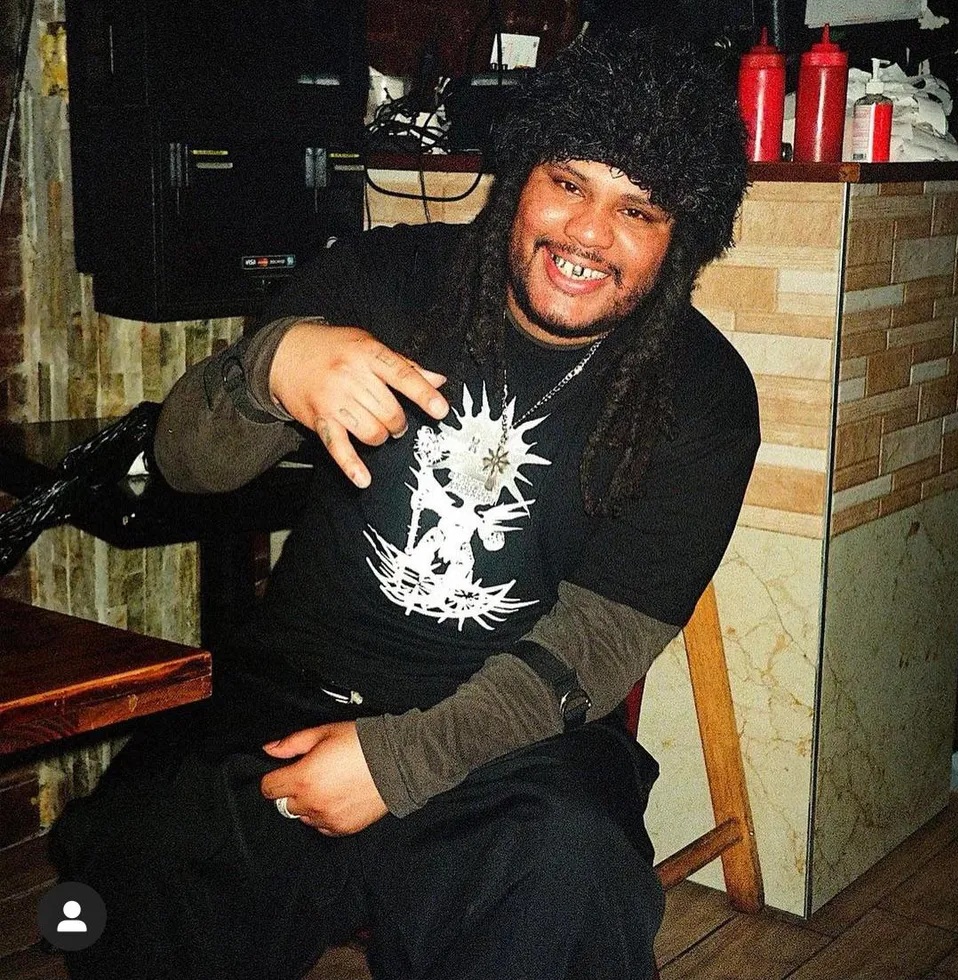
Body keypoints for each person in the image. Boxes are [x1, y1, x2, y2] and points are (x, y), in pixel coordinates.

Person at [50, 29, 759, 980]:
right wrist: (271, 368)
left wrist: (396, 764)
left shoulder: (703, 396)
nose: (589, 234)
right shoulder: (381, 281)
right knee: (114, 874)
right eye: (568, 183)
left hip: (506, 741)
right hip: (289, 696)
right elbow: (185, 464)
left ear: (683, 236)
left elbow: (599, 643)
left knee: (573, 878)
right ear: (521, 179)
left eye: (638, 209)